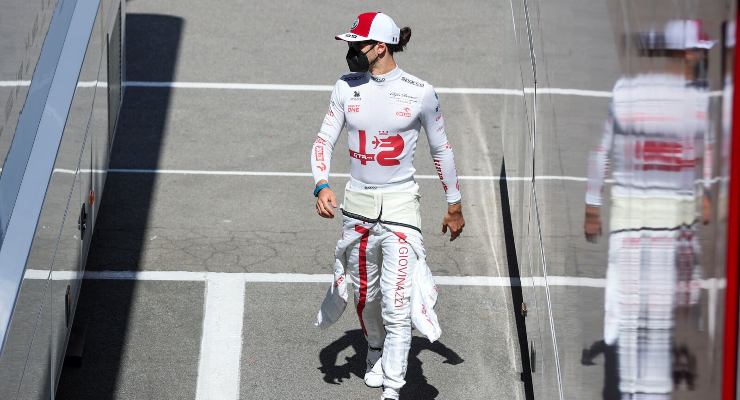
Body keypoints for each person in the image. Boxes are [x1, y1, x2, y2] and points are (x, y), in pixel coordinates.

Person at [310, 11, 465, 400]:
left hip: (400, 209)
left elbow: (441, 149)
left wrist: (454, 203)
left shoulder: (420, 91)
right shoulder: (346, 88)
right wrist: (321, 185)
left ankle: (394, 389)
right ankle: (374, 348)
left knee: (398, 303)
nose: (351, 51)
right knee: (366, 294)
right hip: (357, 206)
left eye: (357, 44)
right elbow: (322, 141)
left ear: (380, 47)